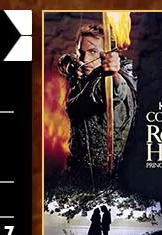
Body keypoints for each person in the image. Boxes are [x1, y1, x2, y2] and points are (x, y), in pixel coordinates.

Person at [60, 22, 137, 186]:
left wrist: (112, 73)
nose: (85, 59)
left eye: (93, 51)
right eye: (81, 53)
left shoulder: (106, 82)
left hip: (103, 181)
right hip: (78, 174)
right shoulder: (84, 75)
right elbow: (69, 64)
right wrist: (71, 71)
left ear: (107, 55)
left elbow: (114, 91)